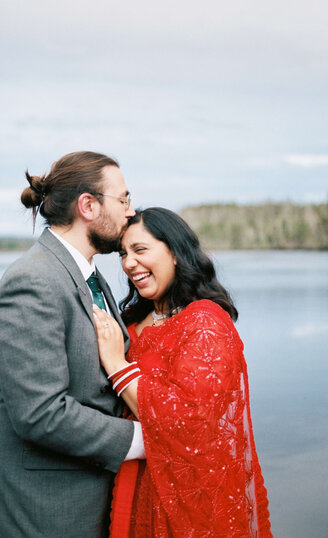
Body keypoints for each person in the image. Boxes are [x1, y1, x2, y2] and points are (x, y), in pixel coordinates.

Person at [0, 151, 145, 538]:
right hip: (48, 512)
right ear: (88, 205)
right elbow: (40, 413)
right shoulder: (33, 281)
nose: (130, 211)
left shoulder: (88, 275)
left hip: (92, 496)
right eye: (123, 199)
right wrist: (147, 440)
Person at [92, 207, 273, 537]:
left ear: (175, 252)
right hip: (131, 480)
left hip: (186, 494)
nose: (128, 263)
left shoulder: (204, 322)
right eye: (123, 253)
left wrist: (118, 366)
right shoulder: (129, 322)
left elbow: (191, 420)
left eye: (140, 250)